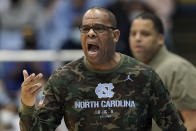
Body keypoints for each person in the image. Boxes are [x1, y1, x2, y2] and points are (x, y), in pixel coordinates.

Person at [19, 7, 186, 131]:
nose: (90, 33)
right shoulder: (63, 78)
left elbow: (174, 127)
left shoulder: (144, 75)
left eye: (98, 28)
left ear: (115, 35)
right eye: (85, 29)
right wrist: (27, 103)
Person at [129, 12, 196, 131]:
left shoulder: (178, 69)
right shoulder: (132, 70)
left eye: (145, 34)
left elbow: (193, 121)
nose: (137, 38)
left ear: (160, 38)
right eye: (133, 34)